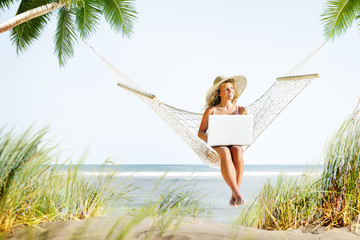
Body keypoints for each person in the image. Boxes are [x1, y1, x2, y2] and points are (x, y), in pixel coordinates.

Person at [198, 75, 247, 207]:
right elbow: (200, 133)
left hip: (234, 144)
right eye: (226, 89)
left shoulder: (240, 110)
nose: (230, 91)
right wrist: (214, 136)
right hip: (216, 146)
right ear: (219, 93)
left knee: (238, 150)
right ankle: (237, 193)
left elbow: (245, 131)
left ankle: (234, 195)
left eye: (231, 88)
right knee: (225, 151)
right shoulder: (211, 111)